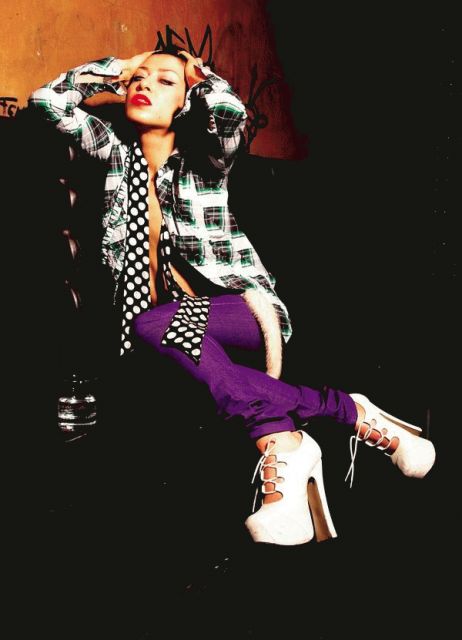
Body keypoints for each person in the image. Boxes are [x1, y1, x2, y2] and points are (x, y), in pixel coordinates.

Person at [28, 43, 436, 547]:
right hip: (176, 333)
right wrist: (118, 70)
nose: (144, 84)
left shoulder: (207, 160)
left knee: (152, 324)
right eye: (139, 78)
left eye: (165, 81)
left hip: (243, 312)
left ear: (186, 101)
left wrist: (198, 75)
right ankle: (291, 453)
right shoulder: (113, 152)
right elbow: (48, 102)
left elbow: (227, 113)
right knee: (159, 329)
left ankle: (340, 411)